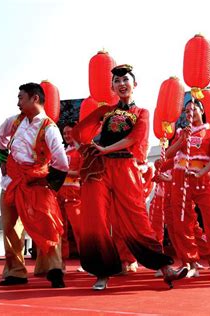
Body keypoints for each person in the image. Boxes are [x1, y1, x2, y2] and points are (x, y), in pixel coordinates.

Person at [73, 64, 187, 290]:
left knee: (137, 218)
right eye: (117, 81)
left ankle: (165, 269)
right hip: (100, 169)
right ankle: (102, 274)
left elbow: (134, 138)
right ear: (112, 87)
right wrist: (88, 148)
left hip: (125, 166)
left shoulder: (141, 112)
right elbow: (78, 132)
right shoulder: (105, 111)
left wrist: (105, 149)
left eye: (125, 79)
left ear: (135, 84)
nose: (121, 84)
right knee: (97, 219)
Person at [0, 82, 69, 288]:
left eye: (21, 98)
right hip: (11, 181)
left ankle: (53, 269)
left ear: (34, 98)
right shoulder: (14, 121)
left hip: (37, 182)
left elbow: (62, 161)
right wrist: (2, 160)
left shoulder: (49, 128)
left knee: (47, 222)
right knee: (10, 227)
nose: (17, 102)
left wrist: (49, 184)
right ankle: (16, 272)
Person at [165, 100, 210, 280]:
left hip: (201, 178)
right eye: (186, 111)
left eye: (193, 109)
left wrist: (201, 172)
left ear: (202, 111)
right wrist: (181, 142)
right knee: (182, 221)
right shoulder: (180, 132)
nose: (190, 113)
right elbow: (168, 155)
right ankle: (192, 263)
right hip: (180, 178)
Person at [57, 122, 82, 269]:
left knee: (79, 229)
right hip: (59, 193)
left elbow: (81, 172)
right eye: (64, 133)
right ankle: (61, 262)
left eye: (69, 132)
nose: (66, 135)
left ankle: (87, 262)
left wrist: (64, 173)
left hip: (74, 194)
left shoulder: (80, 151)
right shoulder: (62, 151)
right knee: (61, 229)